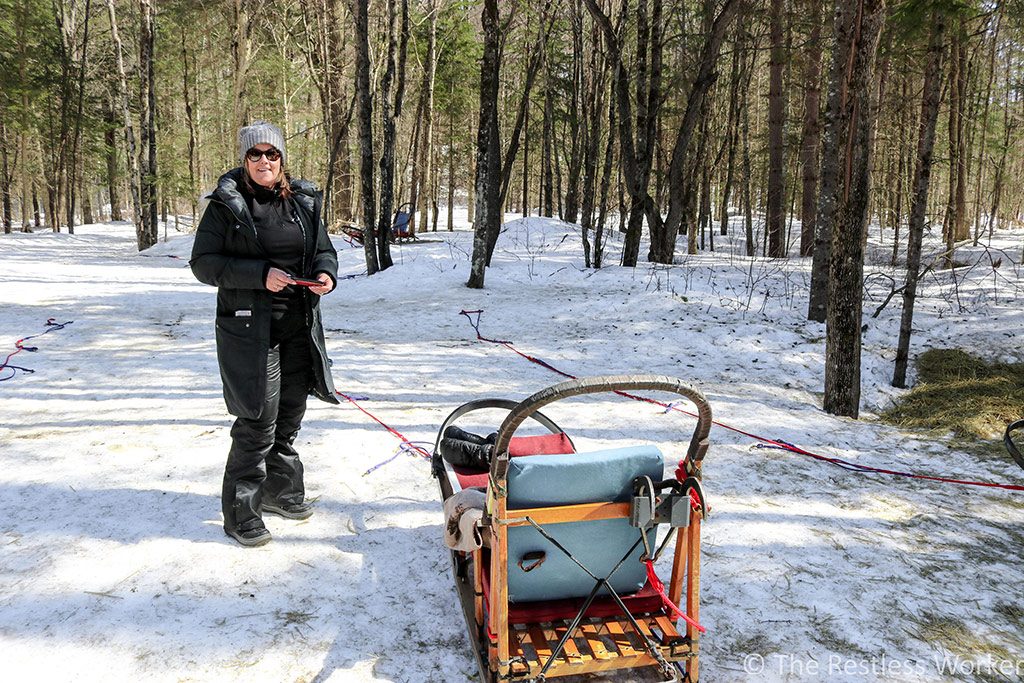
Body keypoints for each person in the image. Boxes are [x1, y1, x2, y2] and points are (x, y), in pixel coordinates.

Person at [190, 120, 340, 547]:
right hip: (249, 331)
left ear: (281, 159)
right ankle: (241, 513)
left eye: (271, 154)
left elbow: (323, 250)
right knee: (257, 419)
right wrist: (260, 275)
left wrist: (326, 273)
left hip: (299, 327)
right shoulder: (225, 205)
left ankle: (280, 492)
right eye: (254, 154)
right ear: (244, 159)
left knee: (290, 415)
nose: (263, 161)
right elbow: (204, 264)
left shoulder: (304, 201)